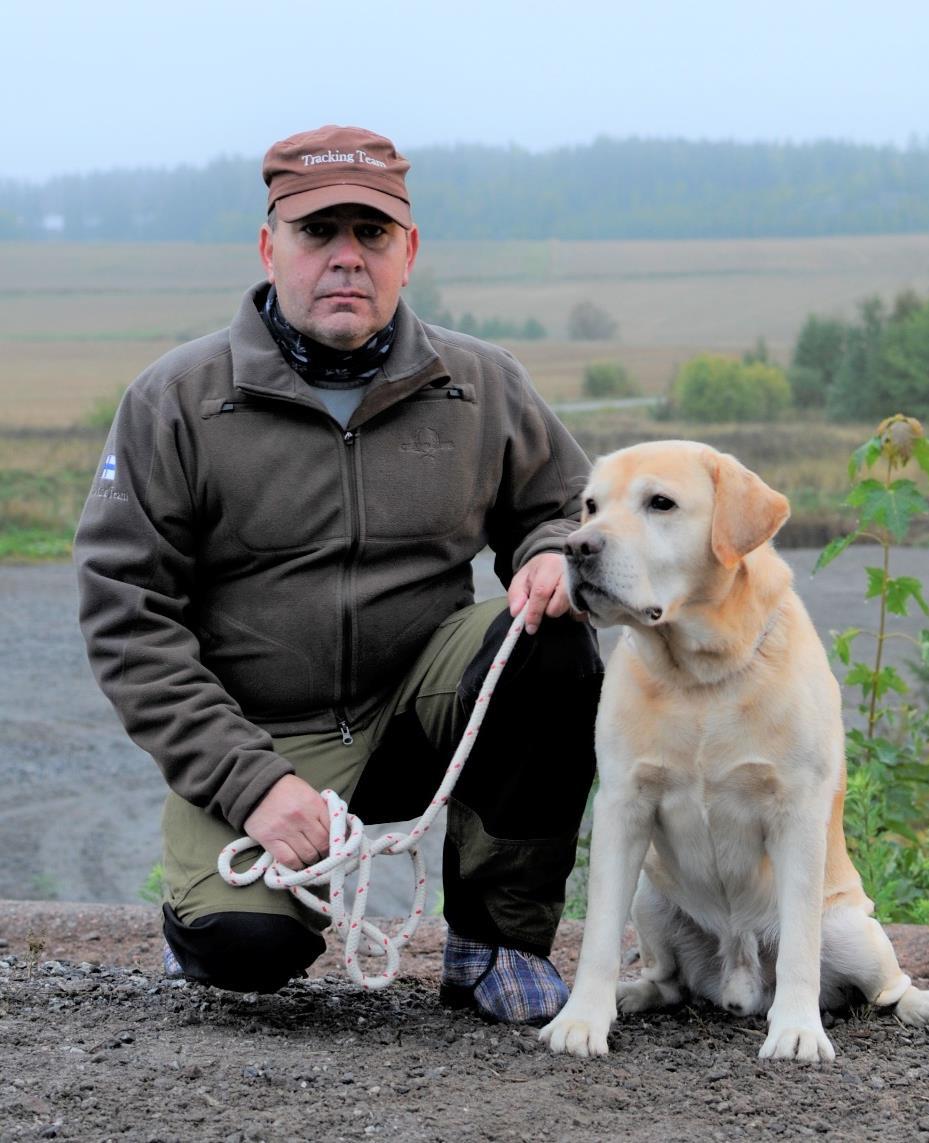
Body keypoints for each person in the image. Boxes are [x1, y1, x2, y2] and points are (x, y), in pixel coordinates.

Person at [74, 125, 601, 1024]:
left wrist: (551, 549)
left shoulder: (483, 383)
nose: (346, 259)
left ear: (410, 251)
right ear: (269, 245)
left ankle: (496, 943)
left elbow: (569, 508)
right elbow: (127, 617)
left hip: (419, 718)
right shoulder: (175, 401)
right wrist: (251, 785)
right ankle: (203, 919)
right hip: (264, 737)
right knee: (246, 955)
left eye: (372, 235)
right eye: (319, 234)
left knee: (551, 642)